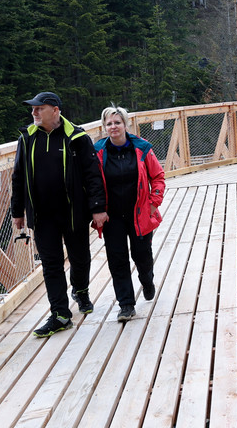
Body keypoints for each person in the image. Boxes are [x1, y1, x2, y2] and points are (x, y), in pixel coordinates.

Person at [11, 92, 107, 338]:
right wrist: (17, 210)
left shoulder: (76, 137)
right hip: (42, 215)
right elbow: (18, 176)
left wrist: (98, 207)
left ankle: (82, 290)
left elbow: (92, 173)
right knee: (51, 265)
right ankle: (60, 314)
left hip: (73, 211)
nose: (33, 113)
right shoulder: (27, 138)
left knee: (80, 257)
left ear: (55, 110)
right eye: (32, 109)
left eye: (38, 109)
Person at [94, 106, 165, 322]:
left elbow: (158, 177)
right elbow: (91, 183)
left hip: (140, 214)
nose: (113, 127)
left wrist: (154, 203)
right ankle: (126, 304)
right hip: (112, 216)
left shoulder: (142, 148)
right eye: (109, 123)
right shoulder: (97, 152)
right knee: (117, 259)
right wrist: (96, 209)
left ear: (126, 124)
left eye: (117, 122)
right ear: (104, 127)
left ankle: (147, 280)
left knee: (142, 255)